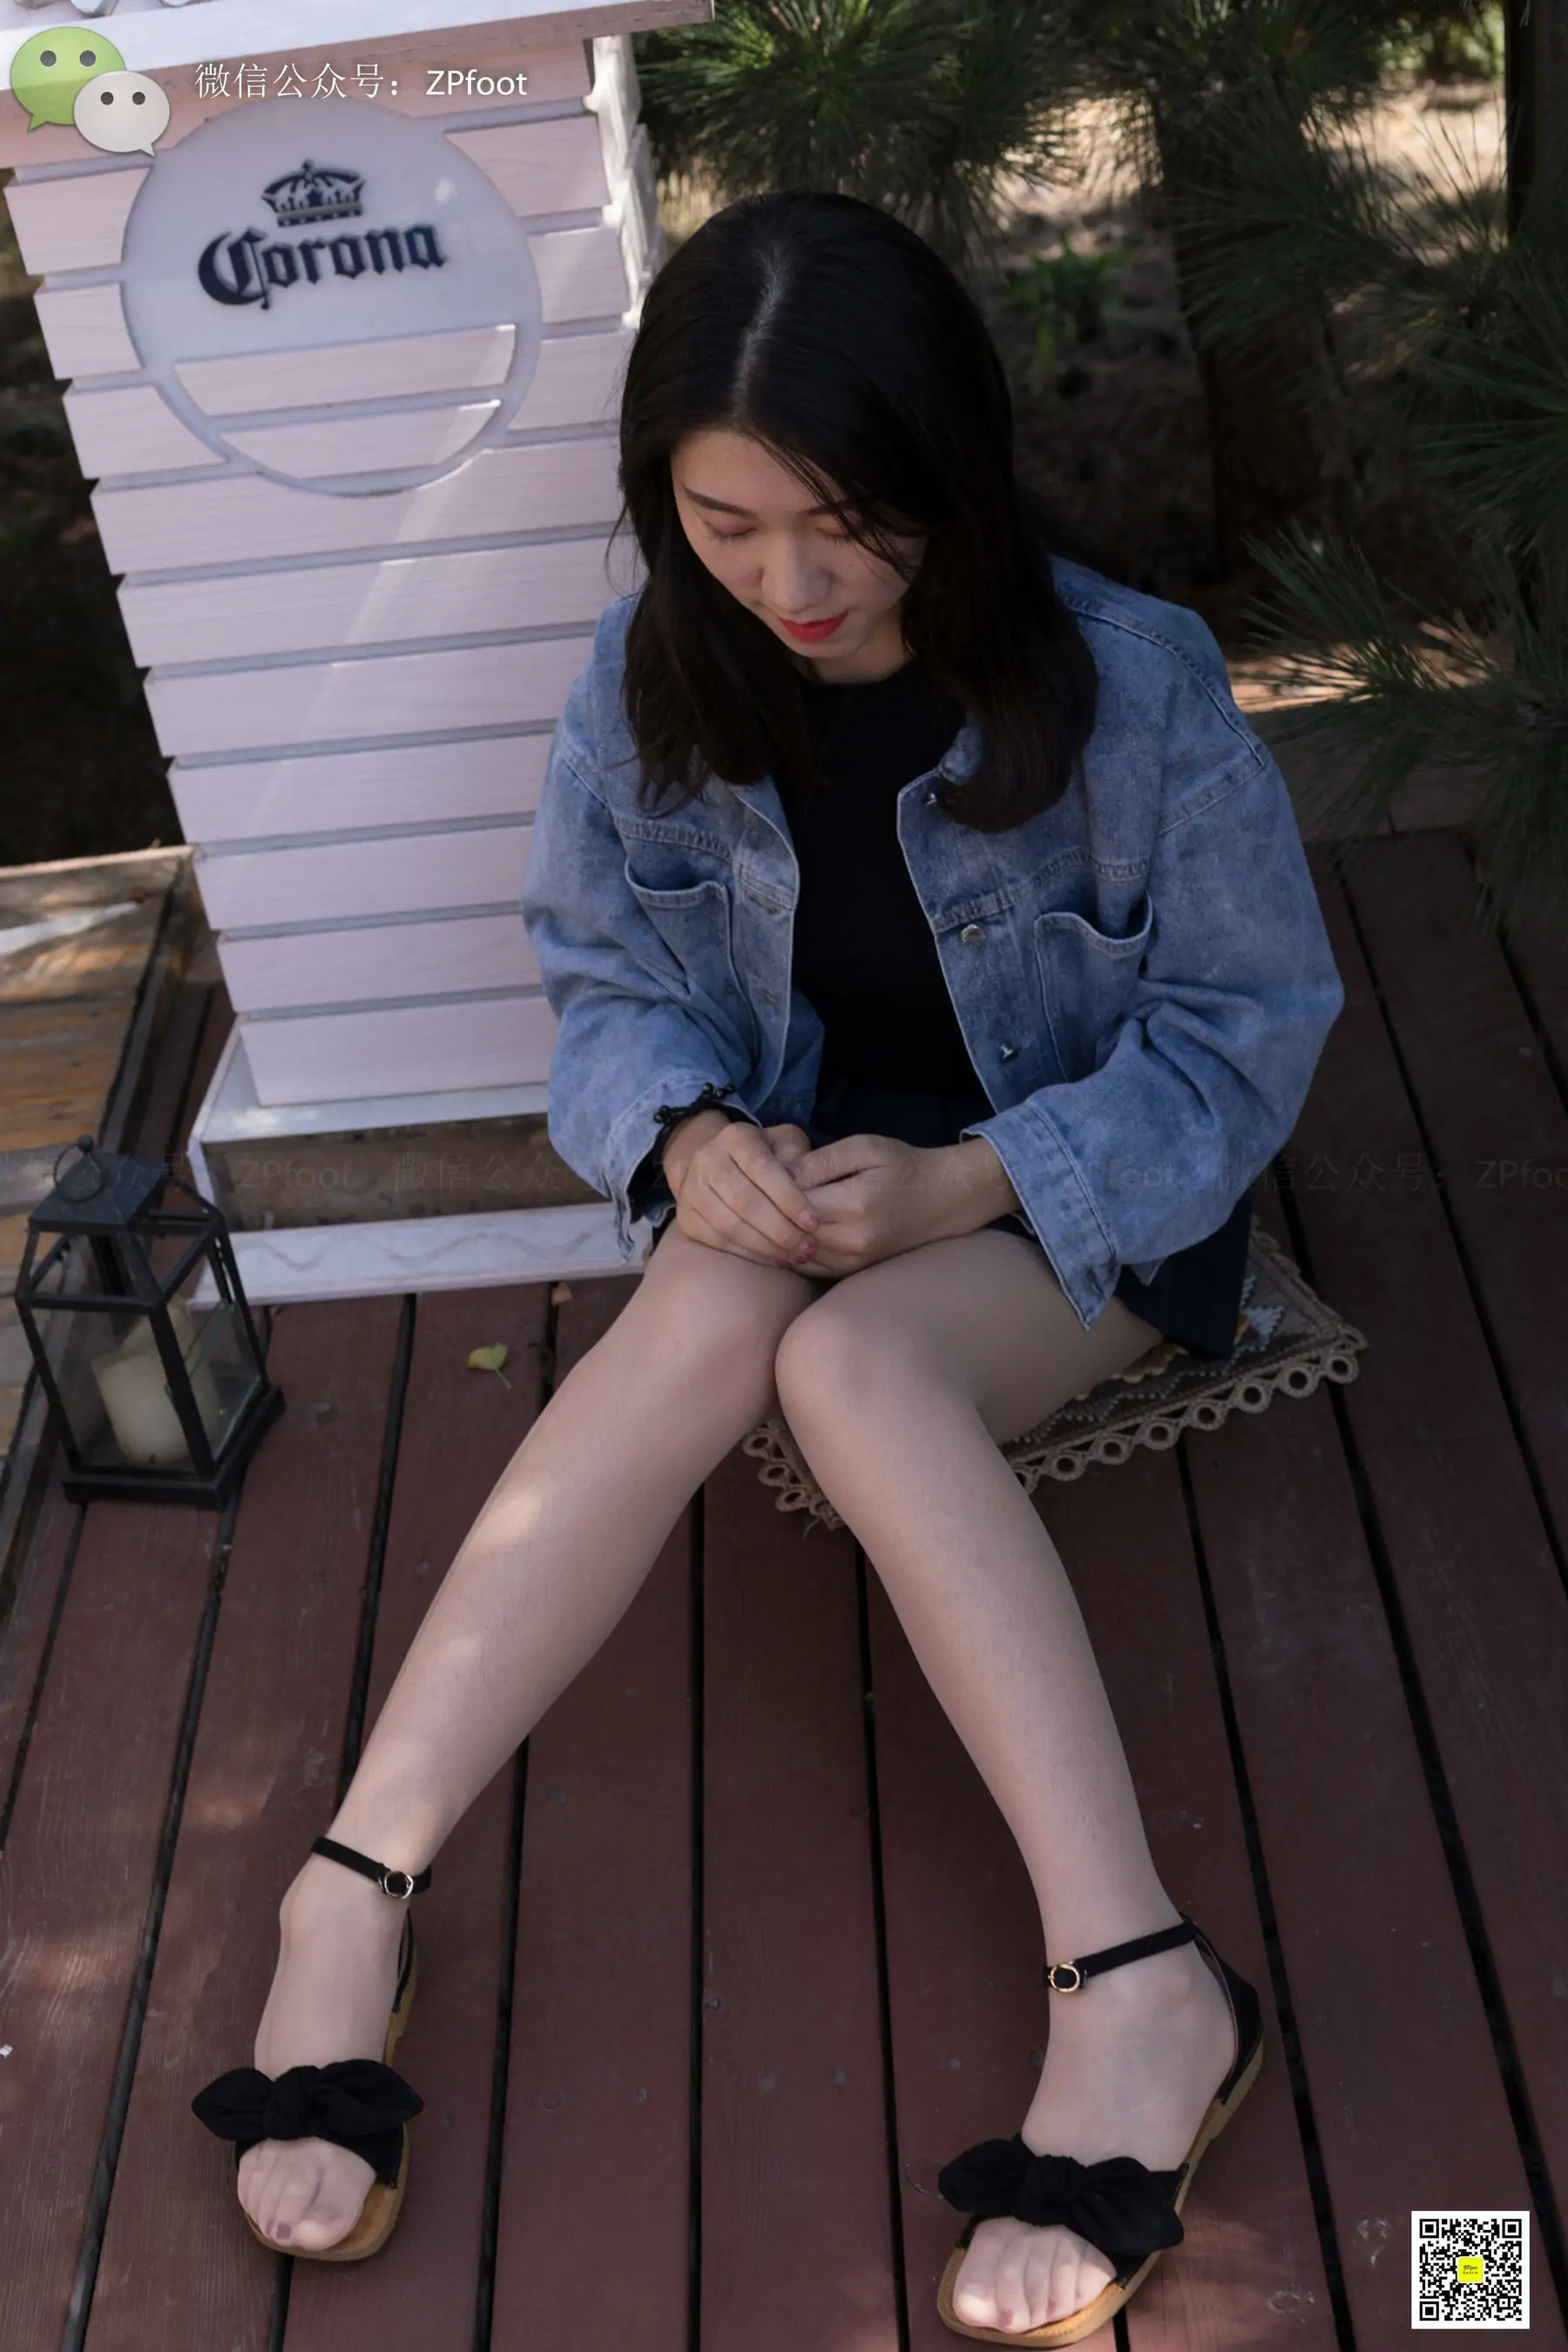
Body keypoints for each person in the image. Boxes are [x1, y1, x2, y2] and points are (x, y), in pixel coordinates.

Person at [193, 189, 1344, 2343]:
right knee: (722, 1301)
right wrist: (686, 1138)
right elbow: (603, 982)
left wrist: (974, 1181)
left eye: (847, 523)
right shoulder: (644, 683)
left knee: (850, 1371)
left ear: (947, 469)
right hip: (808, 1172)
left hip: (1078, 1203)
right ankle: (352, 1882)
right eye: (727, 527)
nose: (792, 584)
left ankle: (1141, 1979)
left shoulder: (1135, 688)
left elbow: (1247, 1037)